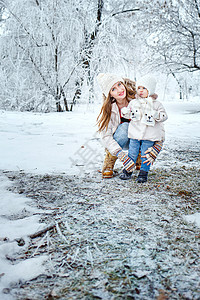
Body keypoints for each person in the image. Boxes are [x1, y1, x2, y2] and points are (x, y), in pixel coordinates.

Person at [96, 73, 163, 179]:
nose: (119, 90)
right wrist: (121, 155)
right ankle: (110, 160)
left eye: (119, 84)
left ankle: (138, 157)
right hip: (121, 139)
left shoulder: (139, 99)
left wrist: (158, 144)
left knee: (144, 128)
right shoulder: (110, 109)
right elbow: (106, 136)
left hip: (140, 138)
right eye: (113, 89)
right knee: (126, 127)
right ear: (110, 95)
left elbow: (157, 121)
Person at [119, 75, 168, 182]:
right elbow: (129, 115)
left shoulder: (156, 104)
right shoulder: (133, 103)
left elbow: (164, 116)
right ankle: (128, 170)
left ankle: (143, 173)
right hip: (134, 134)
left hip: (149, 135)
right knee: (132, 153)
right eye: (139, 88)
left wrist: (155, 114)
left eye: (144, 88)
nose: (141, 91)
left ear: (150, 90)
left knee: (146, 154)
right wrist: (126, 112)